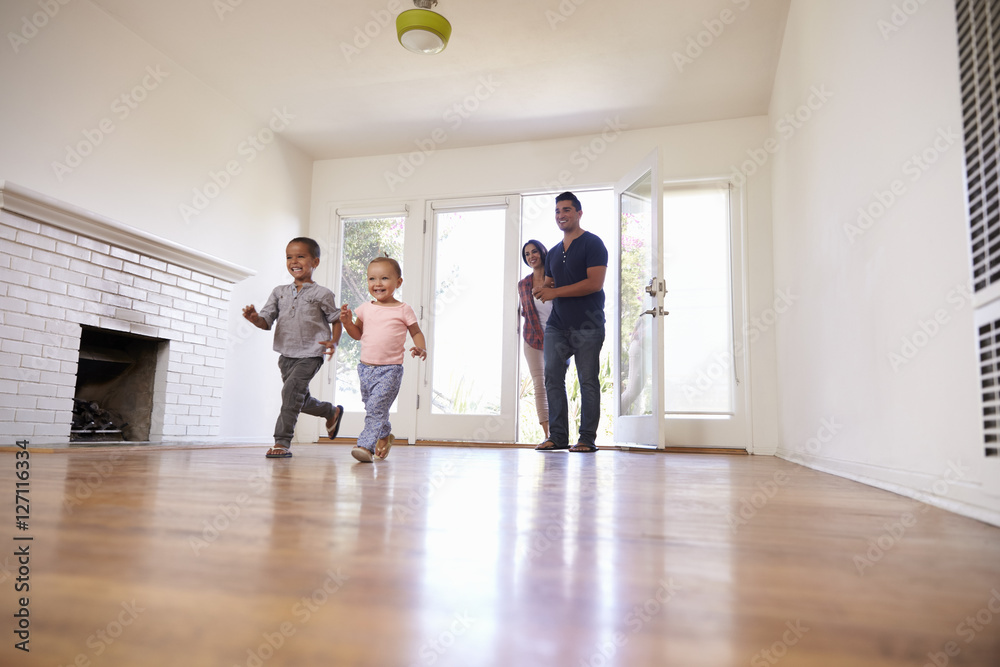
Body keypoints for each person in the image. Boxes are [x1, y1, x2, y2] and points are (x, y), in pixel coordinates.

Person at [243, 237, 344, 459]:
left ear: (315, 262)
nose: (294, 261)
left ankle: (281, 442)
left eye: (300, 256)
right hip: (286, 355)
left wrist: (333, 341)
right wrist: (254, 318)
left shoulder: (322, 294)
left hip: (311, 354)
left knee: (290, 393)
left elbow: (336, 319)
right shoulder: (279, 292)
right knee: (298, 398)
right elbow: (265, 321)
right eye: (289, 257)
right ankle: (330, 411)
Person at [533, 192, 608, 453]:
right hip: (557, 325)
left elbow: (594, 283)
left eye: (566, 210)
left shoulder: (593, 244)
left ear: (579, 213)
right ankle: (558, 437)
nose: (561, 215)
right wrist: (544, 287)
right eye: (557, 211)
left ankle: (587, 439)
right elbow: (553, 281)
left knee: (588, 379)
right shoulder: (553, 252)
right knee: (552, 377)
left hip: (588, 324)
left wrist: (554, 292)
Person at [339, 256, 427, 463]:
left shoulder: (403, 309)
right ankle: (384, 435)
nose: (377, 284)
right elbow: (357, 334)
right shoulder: (365, 308)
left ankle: (365, 446)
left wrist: (420, 346)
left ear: (398, 282)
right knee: (373, 408)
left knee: (376, 409)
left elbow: (416, 332)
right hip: (365, 368)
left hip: (390, 370)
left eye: (384, 278)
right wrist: (346, 322)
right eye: (372, 279)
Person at [517, 240, 551, 439]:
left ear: (542, 252)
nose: (531, 256)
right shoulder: (523, 285)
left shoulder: (556, 279)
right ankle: (548, 435)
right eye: (527, 254)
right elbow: (524, 312)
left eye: (534, 251)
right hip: (532, 339)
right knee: (540, 385)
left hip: (557, 338)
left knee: (556, 385)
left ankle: (561, 431)